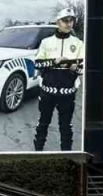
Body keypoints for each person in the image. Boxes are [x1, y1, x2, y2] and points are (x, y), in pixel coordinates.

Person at [34, 8, 85, 152]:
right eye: (65, 20)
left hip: (67, 94)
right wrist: (54, 62)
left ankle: (67, 156)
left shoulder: (79, 43)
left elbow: (83, 69)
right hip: (47, 93)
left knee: (66, 127)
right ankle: (37, 153)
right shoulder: (46, 42)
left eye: (71, 20)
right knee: (43, 123)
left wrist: (73, 67)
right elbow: (37, 64)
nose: (69, 24)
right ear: (58, 22)